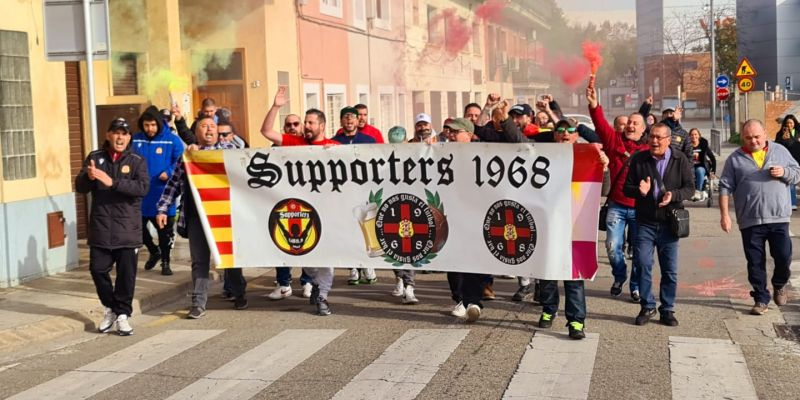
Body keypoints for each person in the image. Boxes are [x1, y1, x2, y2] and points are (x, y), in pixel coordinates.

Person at [156, 115, 248, 318]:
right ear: (196, 132)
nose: (209, 130)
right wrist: (162, 209)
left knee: (228, 258)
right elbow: (173, 185)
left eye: (212, 126)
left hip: (226, 216)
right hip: (197, 217)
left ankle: (239, 291)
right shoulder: (188, 157)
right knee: (199, 261)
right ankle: (198, 303)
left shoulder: (230, 151)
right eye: (204, 126)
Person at [260, 87, 340, 315]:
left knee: (327, 257)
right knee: (305, 256)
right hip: (301, 212)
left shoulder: (335, 148)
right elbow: (266, 131)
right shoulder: (294, 142)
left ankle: (323, 296)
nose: (306, 126)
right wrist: (276, 106)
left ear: (322, 126)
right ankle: (315, 283)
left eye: (310, 123)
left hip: (326, 212)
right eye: (305, 122)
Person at [75, 118, 149, 336]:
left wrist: (113, 182)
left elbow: (142, 187)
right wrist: (89, 178)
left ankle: (123, 315)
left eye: (124, 134)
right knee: (97, 270)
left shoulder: (137, 160)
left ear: (129, 138)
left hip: (127, 229)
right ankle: (111, 309)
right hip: (101, 227)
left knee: (126, 275)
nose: (120, 137)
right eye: (116, 133)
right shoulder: (95, 157)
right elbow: (80, 187)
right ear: (108, 135)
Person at [720, 119, 800, 315]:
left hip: (778, 217)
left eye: (756, 136)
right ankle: (760, 298)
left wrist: (785, 172)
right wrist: (725, 216)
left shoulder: (779, 151)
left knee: (783, 256)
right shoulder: (735, 159)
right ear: (742, 138)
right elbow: (724, 187)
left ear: (764, 133)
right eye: (748, 138)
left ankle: (779, 283)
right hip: (750, 220)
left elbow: (797, 172)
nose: (753, 141)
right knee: (755, 262)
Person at [538, 119, 608, 340]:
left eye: (570, 131)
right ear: (554, 135)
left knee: (573, 273)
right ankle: (548, 309)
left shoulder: (586, 155)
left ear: (576, 135)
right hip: (548, 223)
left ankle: (576, 321)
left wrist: (603, 167)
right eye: (560, 131)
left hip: (574, 223)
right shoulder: (541, 156)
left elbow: (601, 190)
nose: (565, 134)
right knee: (547, 271)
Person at [622, 123, 694, 327]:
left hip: (669, 223)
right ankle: (647, 306)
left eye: (659, 138)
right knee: (643, 264)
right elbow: (627, 188)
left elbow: (690, 188)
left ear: (668, 140)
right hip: (645, 222)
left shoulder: (681, 160)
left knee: (669, 270)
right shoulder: (639, 159)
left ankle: (667, 309)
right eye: (652, 136)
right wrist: (639, 191)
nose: (654, 141)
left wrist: (674, 195)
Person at [587, 85, 650, 302]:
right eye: (629, 122)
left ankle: (635, 286)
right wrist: (594, 105)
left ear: (643, 129)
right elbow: (600, 124)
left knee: (640, 254)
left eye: (635, 123)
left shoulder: (649, 150)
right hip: (617, 206)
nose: (630, 125)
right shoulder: (614, 142)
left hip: (641, 209)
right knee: (612, 247)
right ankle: (619, 275)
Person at [267, 113, 315, 301]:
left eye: (296, 124)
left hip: (306, 202)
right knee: (282, 241)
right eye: (289, 125)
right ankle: (283, 284)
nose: (293, 127)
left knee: (308, 240)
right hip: (284, 202)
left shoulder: (309, 146)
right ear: (284, 128)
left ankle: (308, 281)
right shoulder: (275, 148)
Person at [132, 107, 184, 276]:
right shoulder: (135, 139)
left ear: (159, 124)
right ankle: (154, 251)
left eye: (153, 125)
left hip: (162, 193)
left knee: (164, 231)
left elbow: (181, 161)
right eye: (146, 125)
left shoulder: (172, 140)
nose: (150, 129)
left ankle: (165, 262)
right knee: (137, 228)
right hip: (140, 193)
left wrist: (168, 172)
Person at [775, 114, 800, 210]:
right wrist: (783, 140)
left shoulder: (798, 131)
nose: (789, 125)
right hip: (788, 160)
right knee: (791, 181)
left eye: (791, 123)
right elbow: (777, 147)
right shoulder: (780, 134)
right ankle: (793, 203)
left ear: (794, 123)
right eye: (787, 123)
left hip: (799, 157)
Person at [688, 128, 716, 201]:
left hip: (701, 166)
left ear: (699, 135)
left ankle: (698, 191)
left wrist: (713, 171)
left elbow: (712, 158)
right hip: (690, 166)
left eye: (695, 134)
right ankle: (689, 191)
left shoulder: (703, 145)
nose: (693, 136)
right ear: (689, 136)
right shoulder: (687, 146)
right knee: (689, 172)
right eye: (692, 135)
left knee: (699, 171)